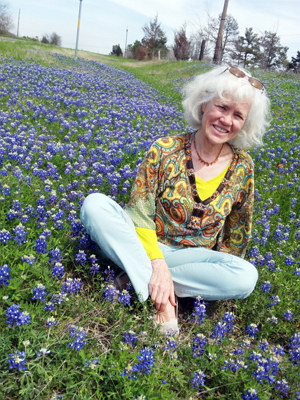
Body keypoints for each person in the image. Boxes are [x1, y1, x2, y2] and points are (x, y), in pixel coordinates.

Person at [80, 66, 271, 335]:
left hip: (194, 256)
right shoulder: (164, 149)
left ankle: (132, 277)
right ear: (204, 105)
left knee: (246, 277)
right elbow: (139, 211)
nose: (226, 120)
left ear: (245, 123)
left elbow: (237, 230)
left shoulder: (243, 167)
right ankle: (166, 299)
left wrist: (218, 272)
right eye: (222, 107)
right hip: (144, 242)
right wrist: (157, 264)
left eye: (237, 115)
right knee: (94, 205)